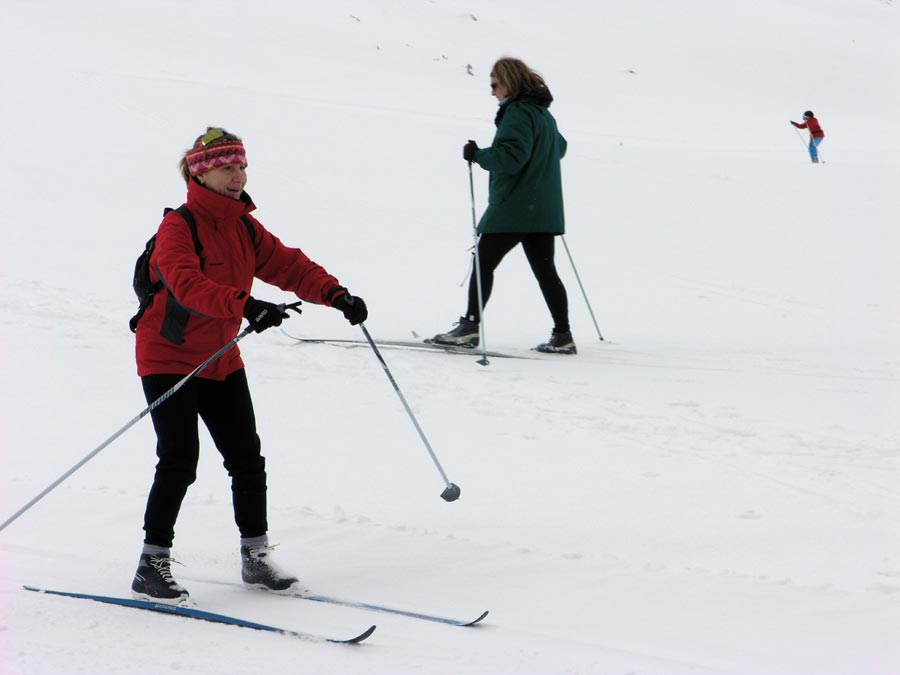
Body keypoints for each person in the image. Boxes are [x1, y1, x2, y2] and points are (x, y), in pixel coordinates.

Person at [131, 127, 368, 605]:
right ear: (201, 173)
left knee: (246, 457)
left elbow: (288, 265)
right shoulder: (179, 227)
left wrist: (335, 294)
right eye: (227, 168)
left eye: (241, 167)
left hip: (220, 358)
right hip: (168, 356)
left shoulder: (242, 225)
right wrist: (246, 305)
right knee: (179, 460)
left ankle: (255, 556)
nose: (238, 176)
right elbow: (185, 284)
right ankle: (151, 564)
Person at [431, 57, 576, 354]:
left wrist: (478, 155)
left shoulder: (518, 112)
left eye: (494, 84)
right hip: (543, 210)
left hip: (515, 208)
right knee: (546, 271)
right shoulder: (543, 115)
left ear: (508, 81)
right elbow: (559, 147)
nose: (492, 91)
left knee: (483, 263)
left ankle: (469, 328)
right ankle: (563, 335)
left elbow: (511, 158)